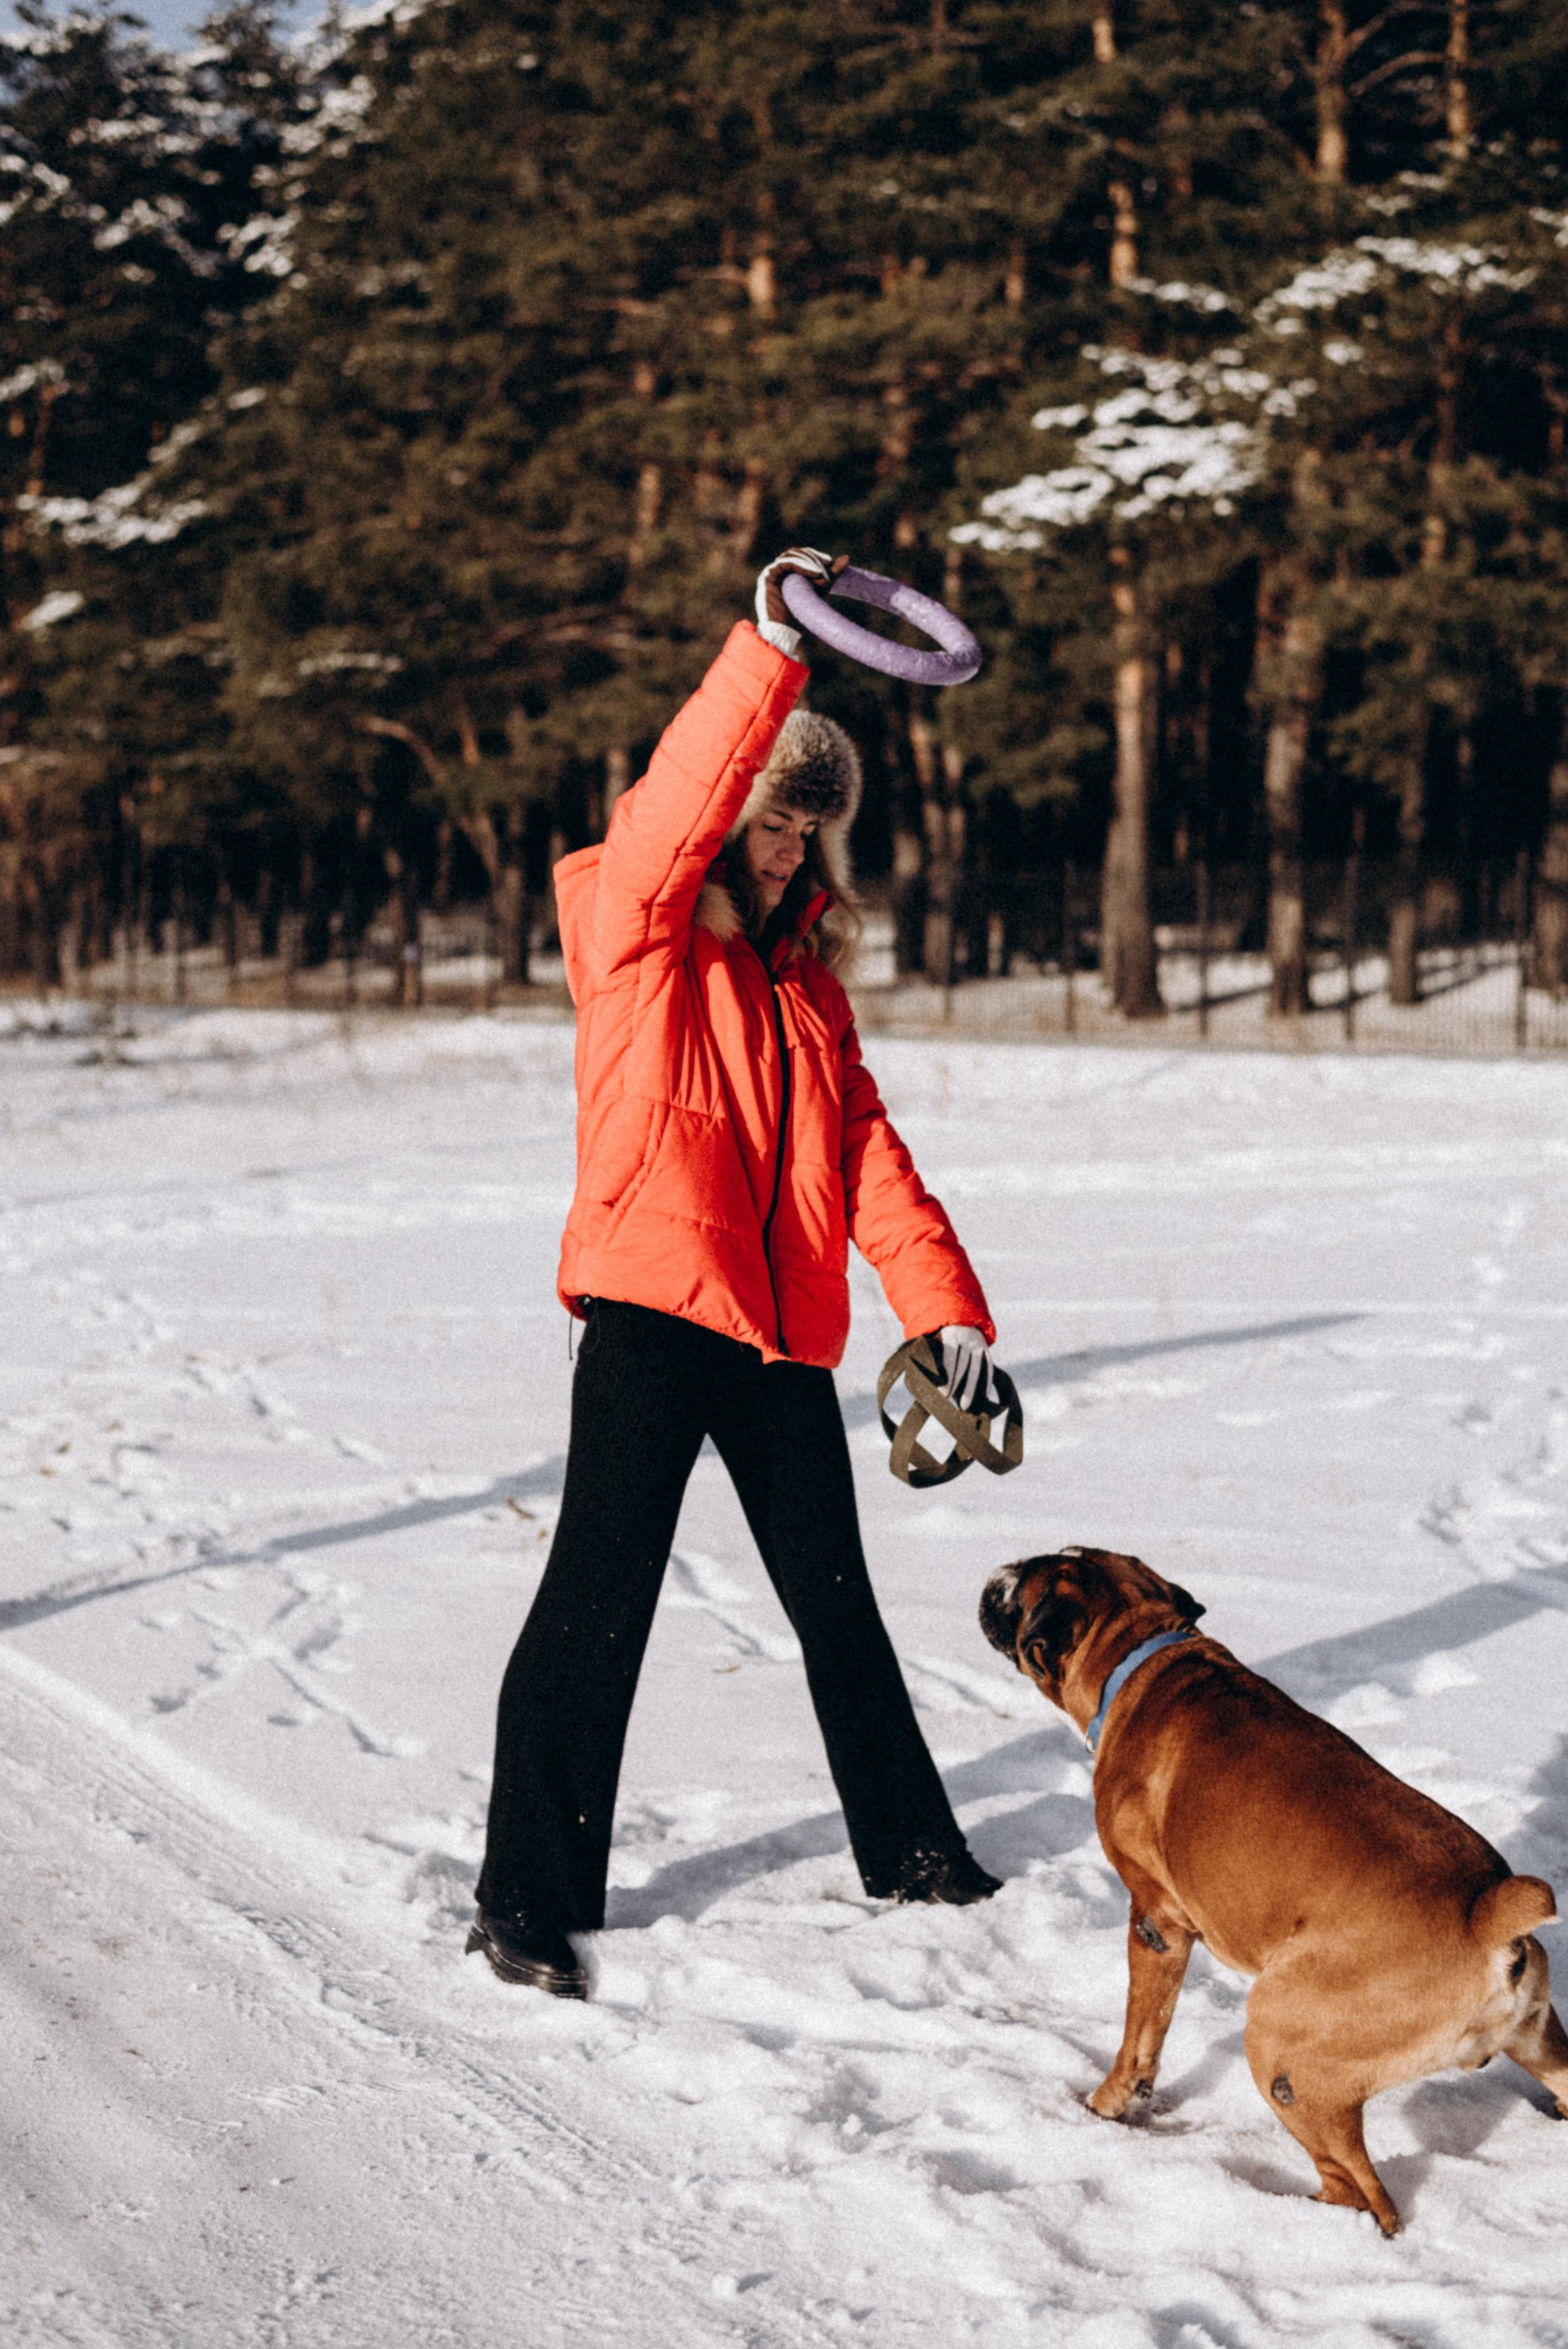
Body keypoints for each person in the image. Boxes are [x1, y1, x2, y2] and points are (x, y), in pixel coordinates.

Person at [469, 548, 1008, 1998]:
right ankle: (525, 1897)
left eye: (806, 830)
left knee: (836, 1602)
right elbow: (665, 816)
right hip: (652, 1313)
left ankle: (913, 1857)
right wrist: (768, 651)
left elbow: (874, 1167)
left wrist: (946, 1315)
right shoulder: (634, 935)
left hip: (780, 1342)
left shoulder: (806, 995)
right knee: (597, 1600)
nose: (785, 850)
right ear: (729, 816)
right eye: (771, 817)